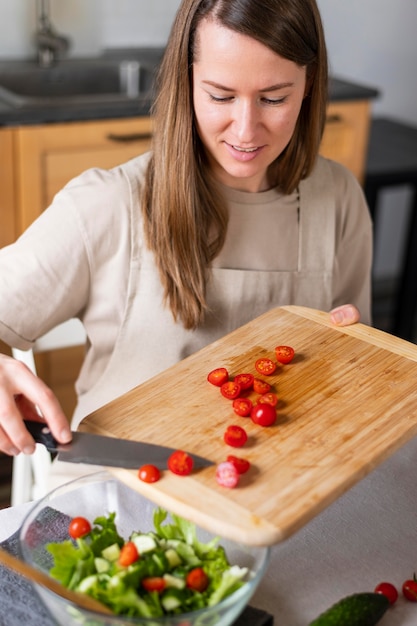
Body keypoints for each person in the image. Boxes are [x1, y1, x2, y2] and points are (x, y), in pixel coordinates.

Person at [0, 0, 372, 462]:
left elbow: (352, 366)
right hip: (125, 491)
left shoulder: (338, 199)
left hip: (281, 485)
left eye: (274, 98)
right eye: (220, 96)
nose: (245, 128)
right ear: (187, 82)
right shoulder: (107, 204)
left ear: (309, 85)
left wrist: (350, 358)